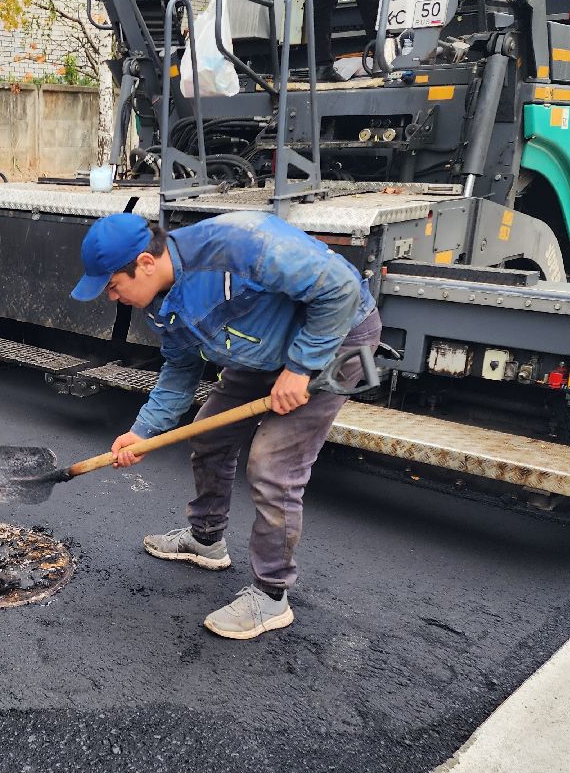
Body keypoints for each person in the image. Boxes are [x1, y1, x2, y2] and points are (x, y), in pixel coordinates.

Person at [71, 211, 381, 641]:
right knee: (209, 435)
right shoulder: (160, 302)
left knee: (272, 466)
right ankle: (206, 540)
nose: (111, 298)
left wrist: (301, 366)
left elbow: (341, 289)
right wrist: (144, 432)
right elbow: (179, 369)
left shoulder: (240, 243)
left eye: (112, 286)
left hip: (330, 341)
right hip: (261, 351)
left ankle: (272, 596)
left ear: (144, 262)